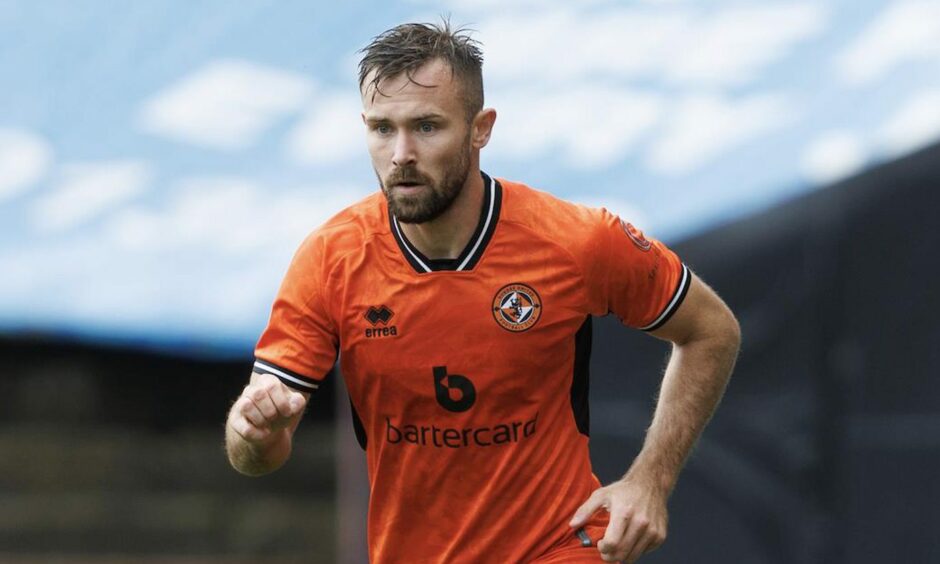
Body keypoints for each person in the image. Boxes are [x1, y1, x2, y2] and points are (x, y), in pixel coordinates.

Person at [224, 20, 741, 564]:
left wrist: (650, 483)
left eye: (426, 127)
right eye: (382, 128)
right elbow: (256, 455)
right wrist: (253, 431)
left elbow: (711, 329)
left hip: (559, 545)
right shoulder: (331, 258)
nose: (401, 153)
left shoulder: (576, 241)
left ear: (481, 129)